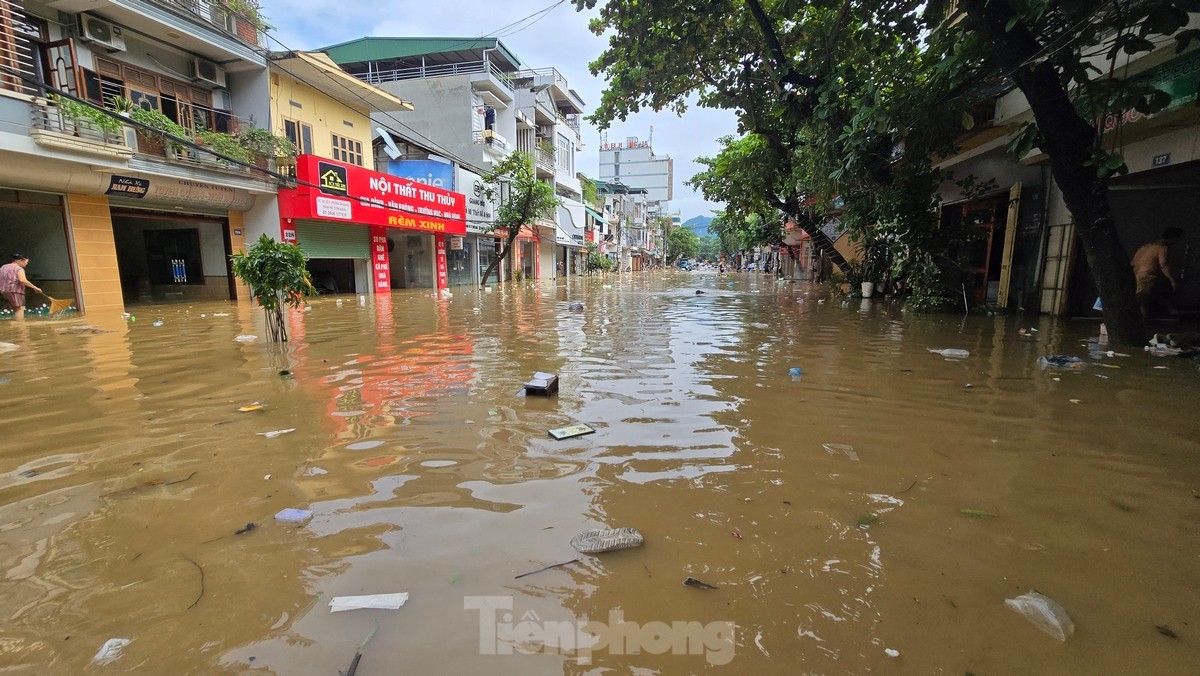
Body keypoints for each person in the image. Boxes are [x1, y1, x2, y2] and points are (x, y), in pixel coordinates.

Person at [1131, 227, 1183, 319]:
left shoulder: (1145, 247)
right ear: (1174, 238)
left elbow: (1133, 262)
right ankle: (1142, 324)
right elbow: (1164, 265)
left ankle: (1171, 311)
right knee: (1143, 302)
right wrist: (1172, 280)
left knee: (1146, 299)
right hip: (1147, 278)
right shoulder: (1162, 249)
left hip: (1136, 275)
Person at [1, 253, 40, 321]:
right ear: (21, 260)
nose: (26, 264)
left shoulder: (3, 267)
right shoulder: (19, 269)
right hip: (15, 291)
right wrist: (35, 288)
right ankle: (19, 326)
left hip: (4, 290)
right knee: (20, 309)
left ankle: (14, 325)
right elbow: (22, 280)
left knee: (16, 309)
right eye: (26, 262)